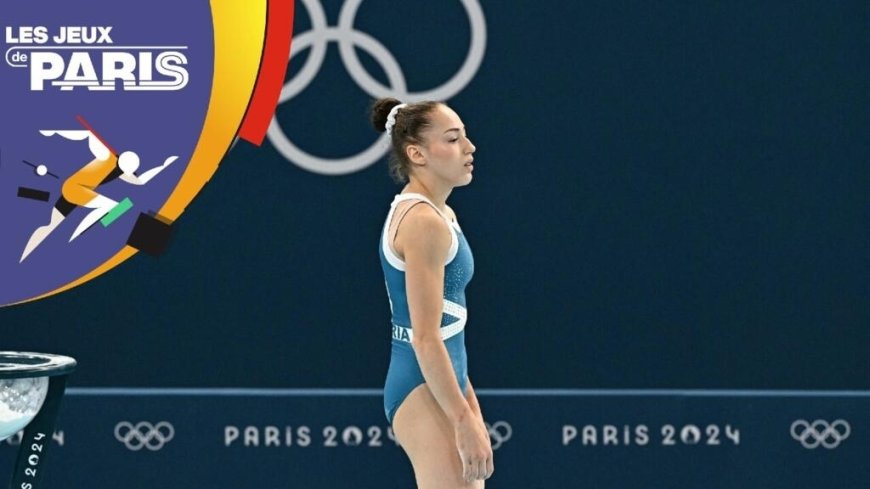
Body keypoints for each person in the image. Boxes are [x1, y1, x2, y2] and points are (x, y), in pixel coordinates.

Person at [372, 97, 493, 488]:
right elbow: (425, 337)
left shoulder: (441, 213)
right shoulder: (423, 222)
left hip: (444, 377)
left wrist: (467, 402)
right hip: (420, 383)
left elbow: (448, 327)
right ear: (416, 153)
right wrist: (461, 419)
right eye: (454, 139)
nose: (470, 147)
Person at [19, 129, 177, 262]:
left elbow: (141, 181)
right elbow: (87, 135)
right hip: (74, 188)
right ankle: (87, 229)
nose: (124, 174)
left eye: (126, 172)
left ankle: (25, 253)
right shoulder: (106, 155)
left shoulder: (121, 170)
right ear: (121, 160)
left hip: (80, 193)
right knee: (113, 206)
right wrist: (55, 132)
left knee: (49, 226)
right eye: (124, 170)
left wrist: (163, 165)